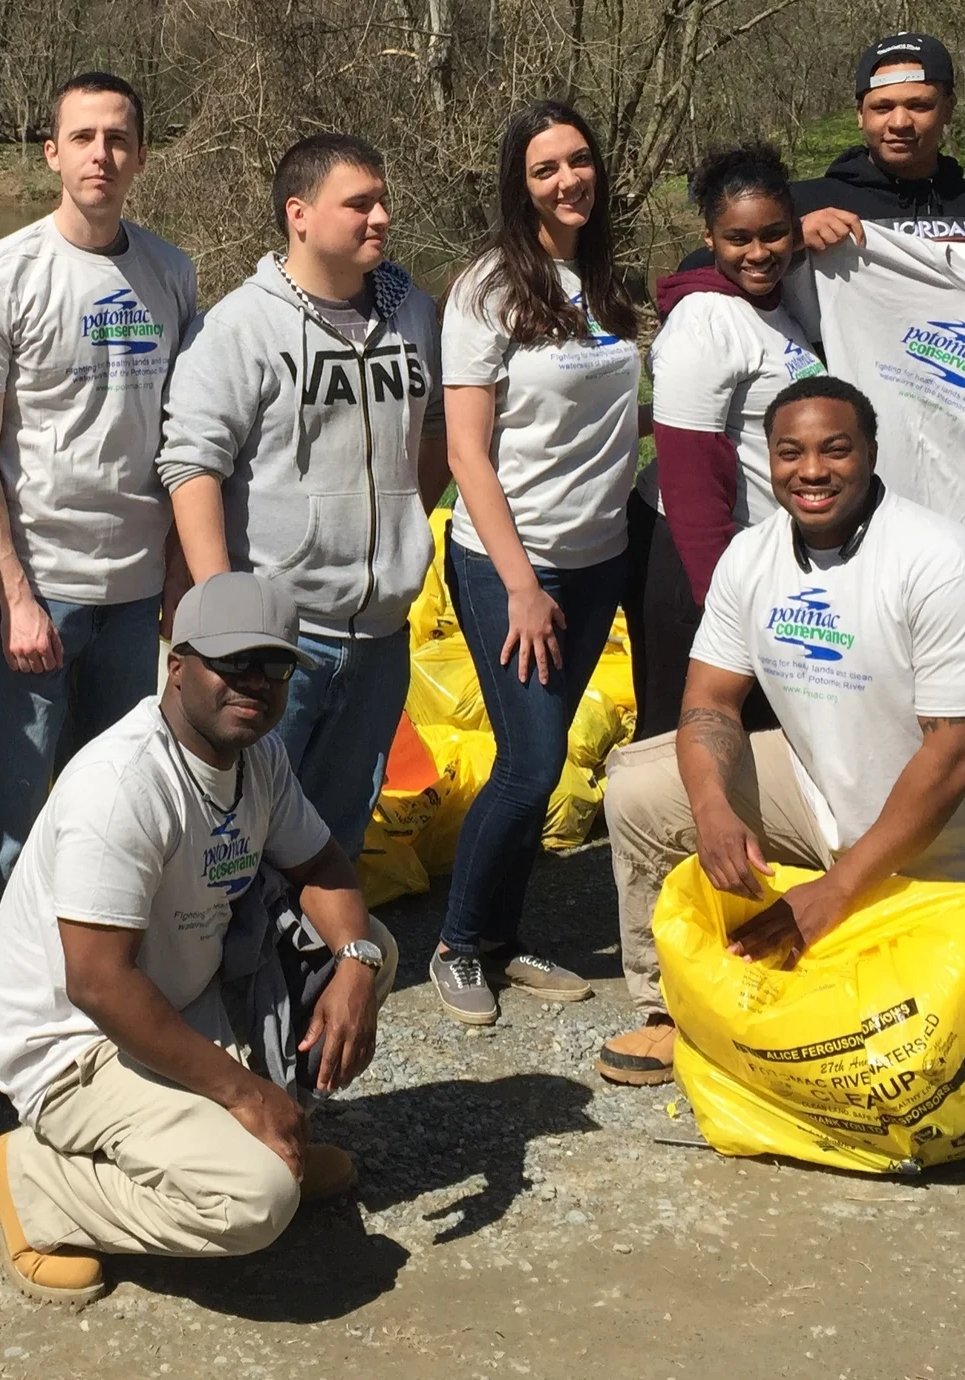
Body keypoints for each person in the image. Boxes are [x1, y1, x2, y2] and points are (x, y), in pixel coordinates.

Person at [596, 377, 965, 1085]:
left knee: (897, 1050)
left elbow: (956, 755)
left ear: (870, 452)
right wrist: (710, 810)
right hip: (816, 793)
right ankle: (670, 1011)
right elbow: (708, 699)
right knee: (644, 789)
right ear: (766, 460)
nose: (811, 470)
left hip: (937, 830)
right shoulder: (753, 555)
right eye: (789, 452)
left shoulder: (945, 562)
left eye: (835, 449)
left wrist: (835, 893)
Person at [0, 573, 398, 1306]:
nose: (255, 684)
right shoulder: (123, 784)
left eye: (274, 666)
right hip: (77, 1043)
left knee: (371, 945)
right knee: (253, 1206)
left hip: (180, 994)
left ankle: (262, 1139)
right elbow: (98, 983)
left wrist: (356, 966)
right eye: (232, 663)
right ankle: (33, 1180)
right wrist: (245, 1096)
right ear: (177, 663)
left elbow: (322, 864)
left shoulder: (258, 757)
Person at [0, 72, 198, 1041]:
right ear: (51, 152)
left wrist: (180, 586)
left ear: (140, 153)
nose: (101, 153)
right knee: (16, 812)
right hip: (37, 597)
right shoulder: (3, 278)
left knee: (111, 818)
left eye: (118, 137)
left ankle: (92, 1004)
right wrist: (14, 594)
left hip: (134, 598)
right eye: (82, 137)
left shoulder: (171, 276)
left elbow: (185, 445)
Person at [157, 133, 449, 862]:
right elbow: (192, 466)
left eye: (383, 201)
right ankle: (228, 975)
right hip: (278, 639)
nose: (381, 216)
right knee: (236, 835)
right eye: (359, 204)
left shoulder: (412, 310)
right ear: (300, 214)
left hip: (383, 634)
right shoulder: (240, 327)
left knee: (334, 834)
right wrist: (225, 611)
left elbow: (439, 423)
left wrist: (405, 525)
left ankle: (312, 968)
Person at [432, 99, 644, 1025]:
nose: (568, 181)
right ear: (518, 186)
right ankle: (456, 944)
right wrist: (520, 583)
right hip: (508, 564)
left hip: (599, 557)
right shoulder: (488, 288)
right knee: (530, 762)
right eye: (545, 169)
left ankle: (505, 939)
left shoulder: (603, 278)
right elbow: (465, 451)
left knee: (545, 761)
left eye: (578, 161)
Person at [678, 32, 965, 343]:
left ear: (947, 108)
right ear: (860, 114)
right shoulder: (801, 203)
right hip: (835, 447)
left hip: (955, 431)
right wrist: (791, 241)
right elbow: (688, 280)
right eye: (882, 106)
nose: (899, 122)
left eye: (919, 105)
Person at [625, 143, 825, 740]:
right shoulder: (705, 321)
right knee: (685, 732)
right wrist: (719, 598)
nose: (759, 253)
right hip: (692, 557)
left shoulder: (776, 305)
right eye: (739, 238)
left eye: (775, 234)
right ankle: (660, 835)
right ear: (709, 237)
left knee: (756, 733)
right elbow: (689, 473)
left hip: (763, 553)